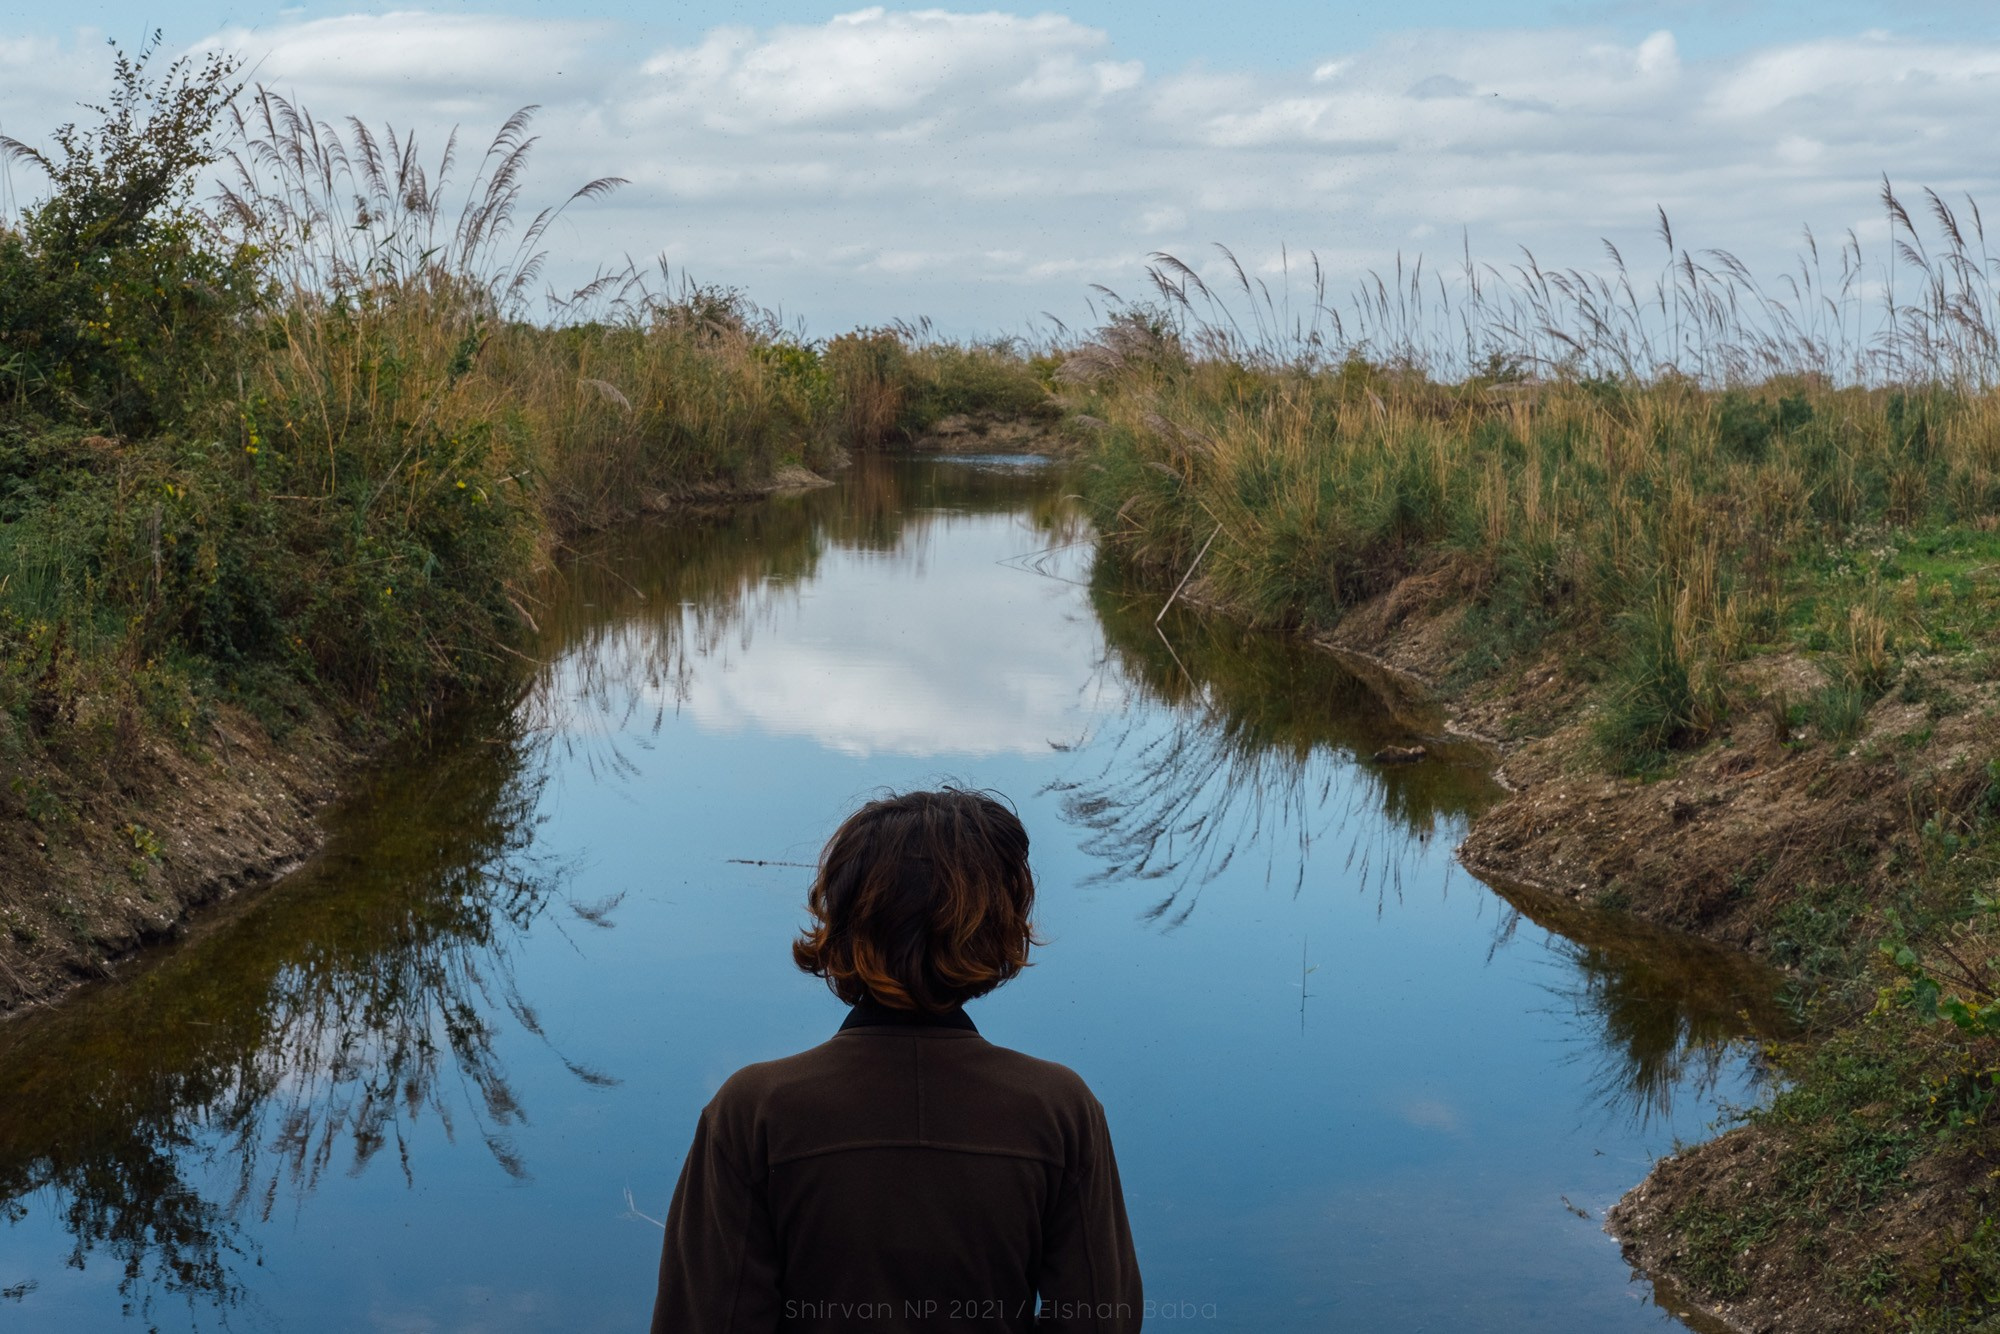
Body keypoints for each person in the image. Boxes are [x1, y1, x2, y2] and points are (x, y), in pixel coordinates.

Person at [651, 788, 1143, 1332]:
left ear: (841, 918)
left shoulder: (754, 1111)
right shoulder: (1059, 1111)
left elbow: (702, 1322)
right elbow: (1102, 1320)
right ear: (997, 927)